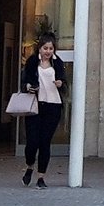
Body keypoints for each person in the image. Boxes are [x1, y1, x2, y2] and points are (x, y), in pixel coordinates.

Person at [20, 34, 66, 188]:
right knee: (32, 141)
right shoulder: (32, 62)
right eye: (45, 48)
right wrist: (29, 87)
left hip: (53, 106)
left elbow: (65, 83)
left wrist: (60, 83)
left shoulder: (57, 63)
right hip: (35, 105)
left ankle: (41, 177)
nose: (48, 51)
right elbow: (24, 82)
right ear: (39, 48)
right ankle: (29, 167)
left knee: (45, 142)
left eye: (51, 48)